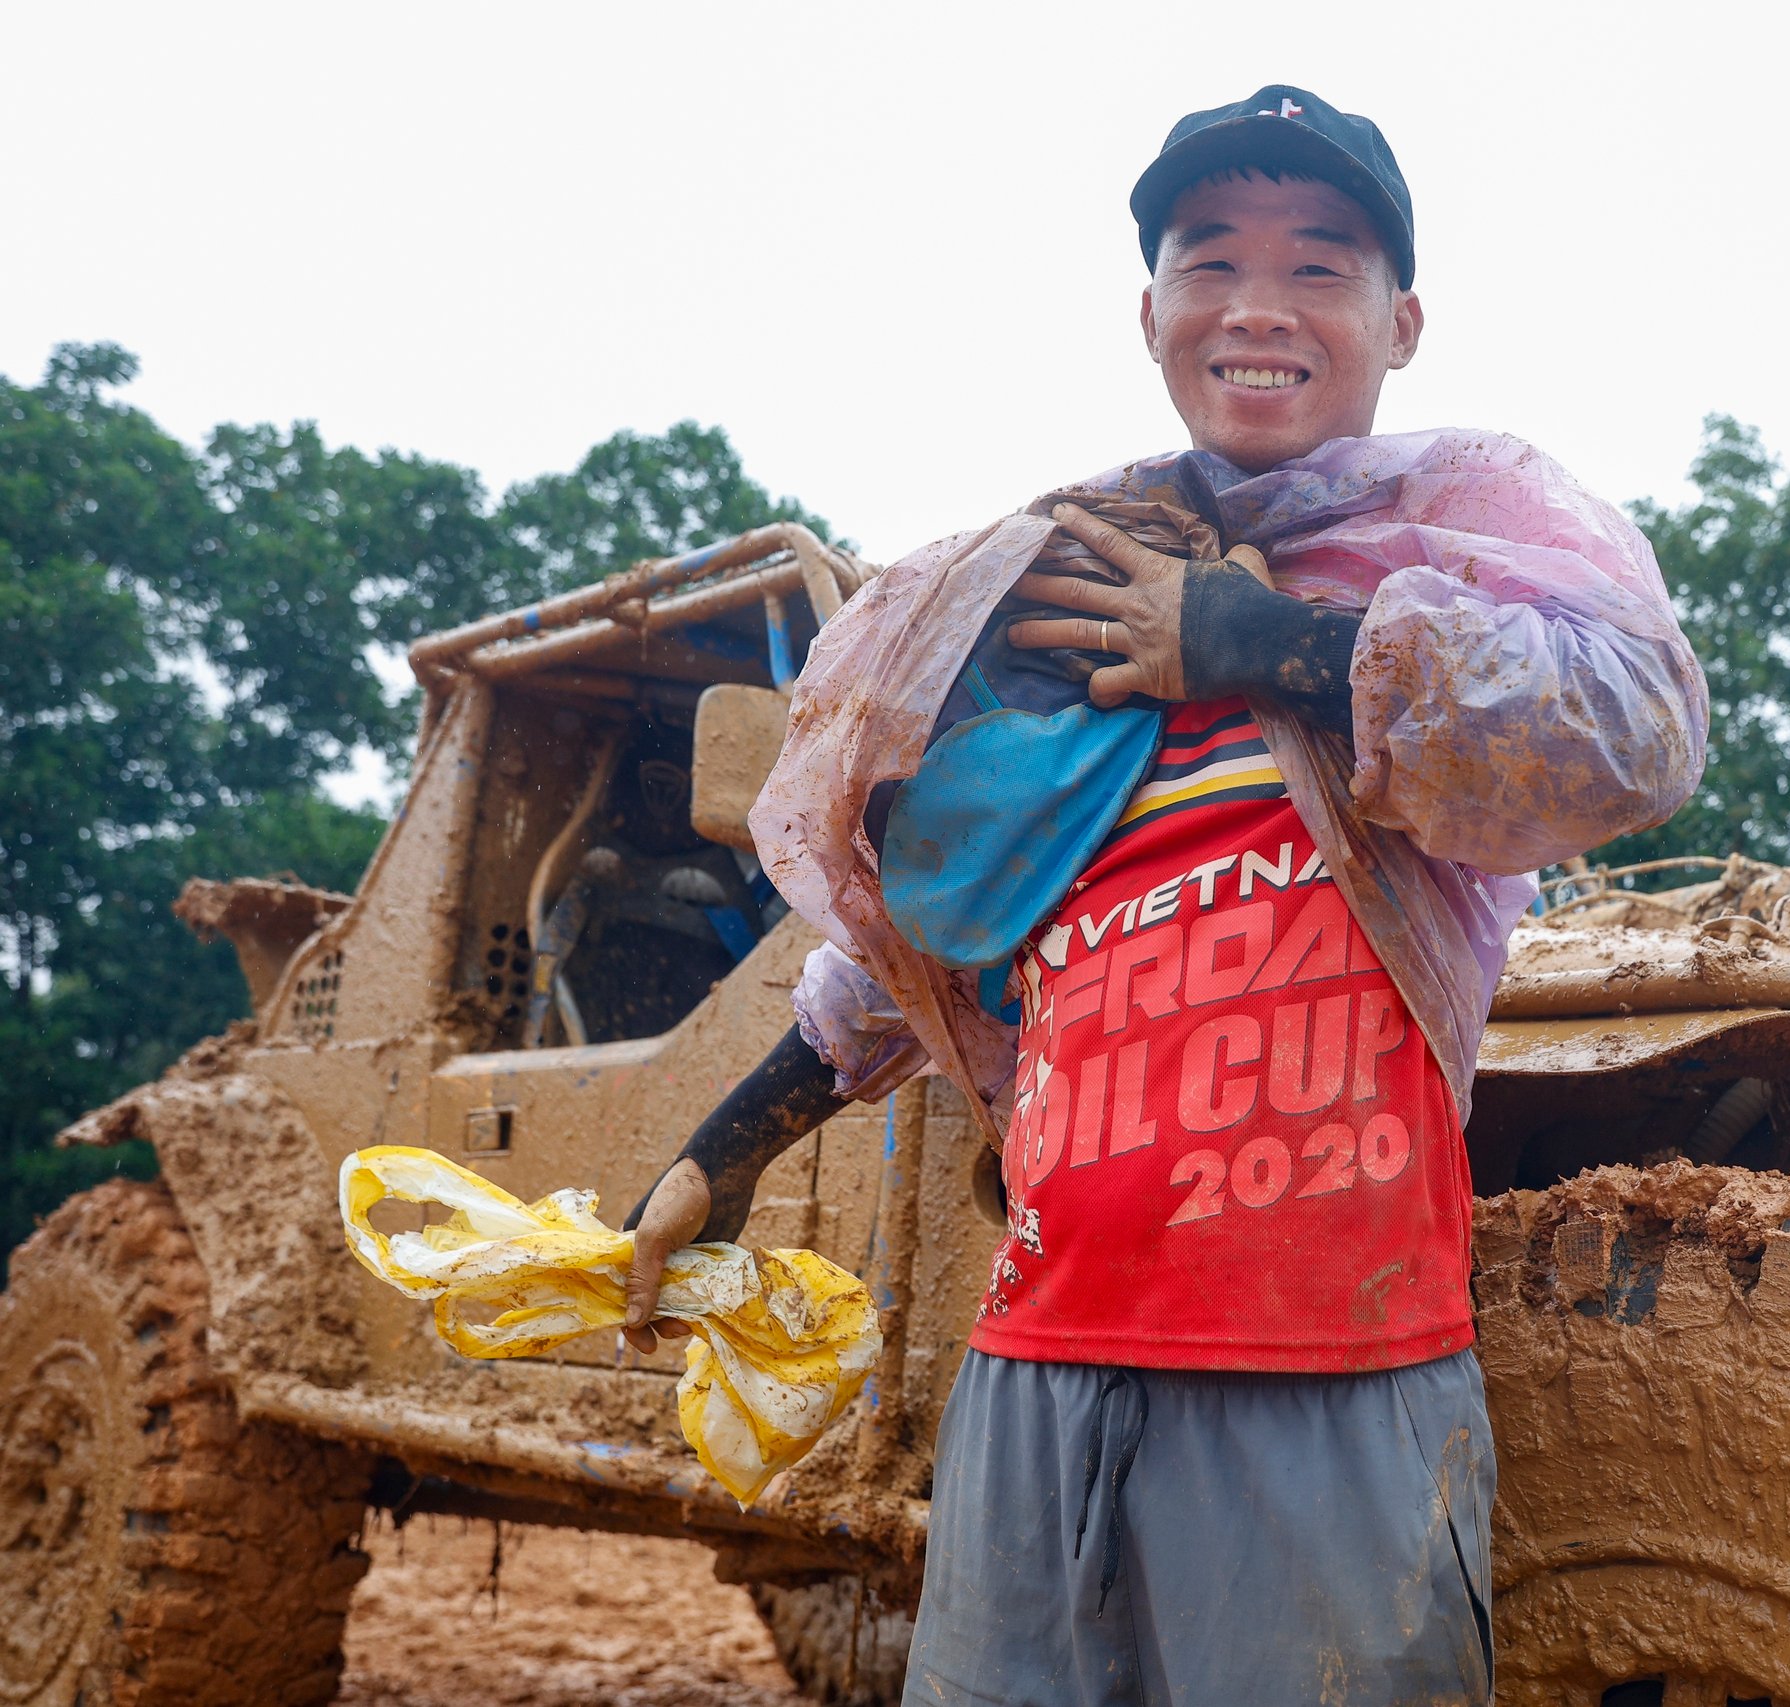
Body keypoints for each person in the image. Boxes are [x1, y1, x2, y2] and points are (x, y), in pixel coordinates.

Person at [621, 85, 1708, 1705]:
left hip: (1330, 1372)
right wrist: (720, 1155)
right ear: (1152, 312)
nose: (1258, 305)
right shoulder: (1045, 596)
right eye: (1211, 260)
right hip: (1036, 1373)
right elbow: (913, 949)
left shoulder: (1459, 563)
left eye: (1322, 266)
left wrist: (1255, 644)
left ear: (1399, 322)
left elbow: (1633, 735)